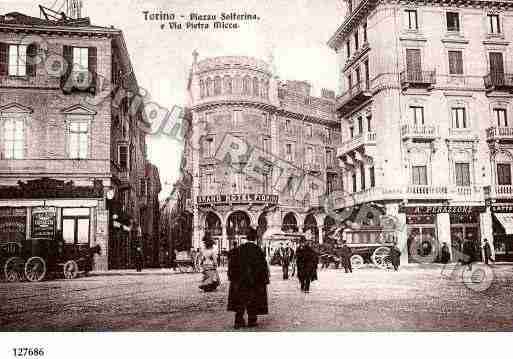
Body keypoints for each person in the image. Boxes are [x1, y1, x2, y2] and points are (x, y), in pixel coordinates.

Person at [227, 227, 269, 329]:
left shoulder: (238, 250)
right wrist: (264, 280)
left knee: (240, 300)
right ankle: (252, 320)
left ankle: (238, 320)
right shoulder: (258, 251)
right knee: (253, 300)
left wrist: (232, 278)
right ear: (255, 238)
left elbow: (232, 265)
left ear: (246, 237)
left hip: (240, 281)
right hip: (254, 282)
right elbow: (263, 268)